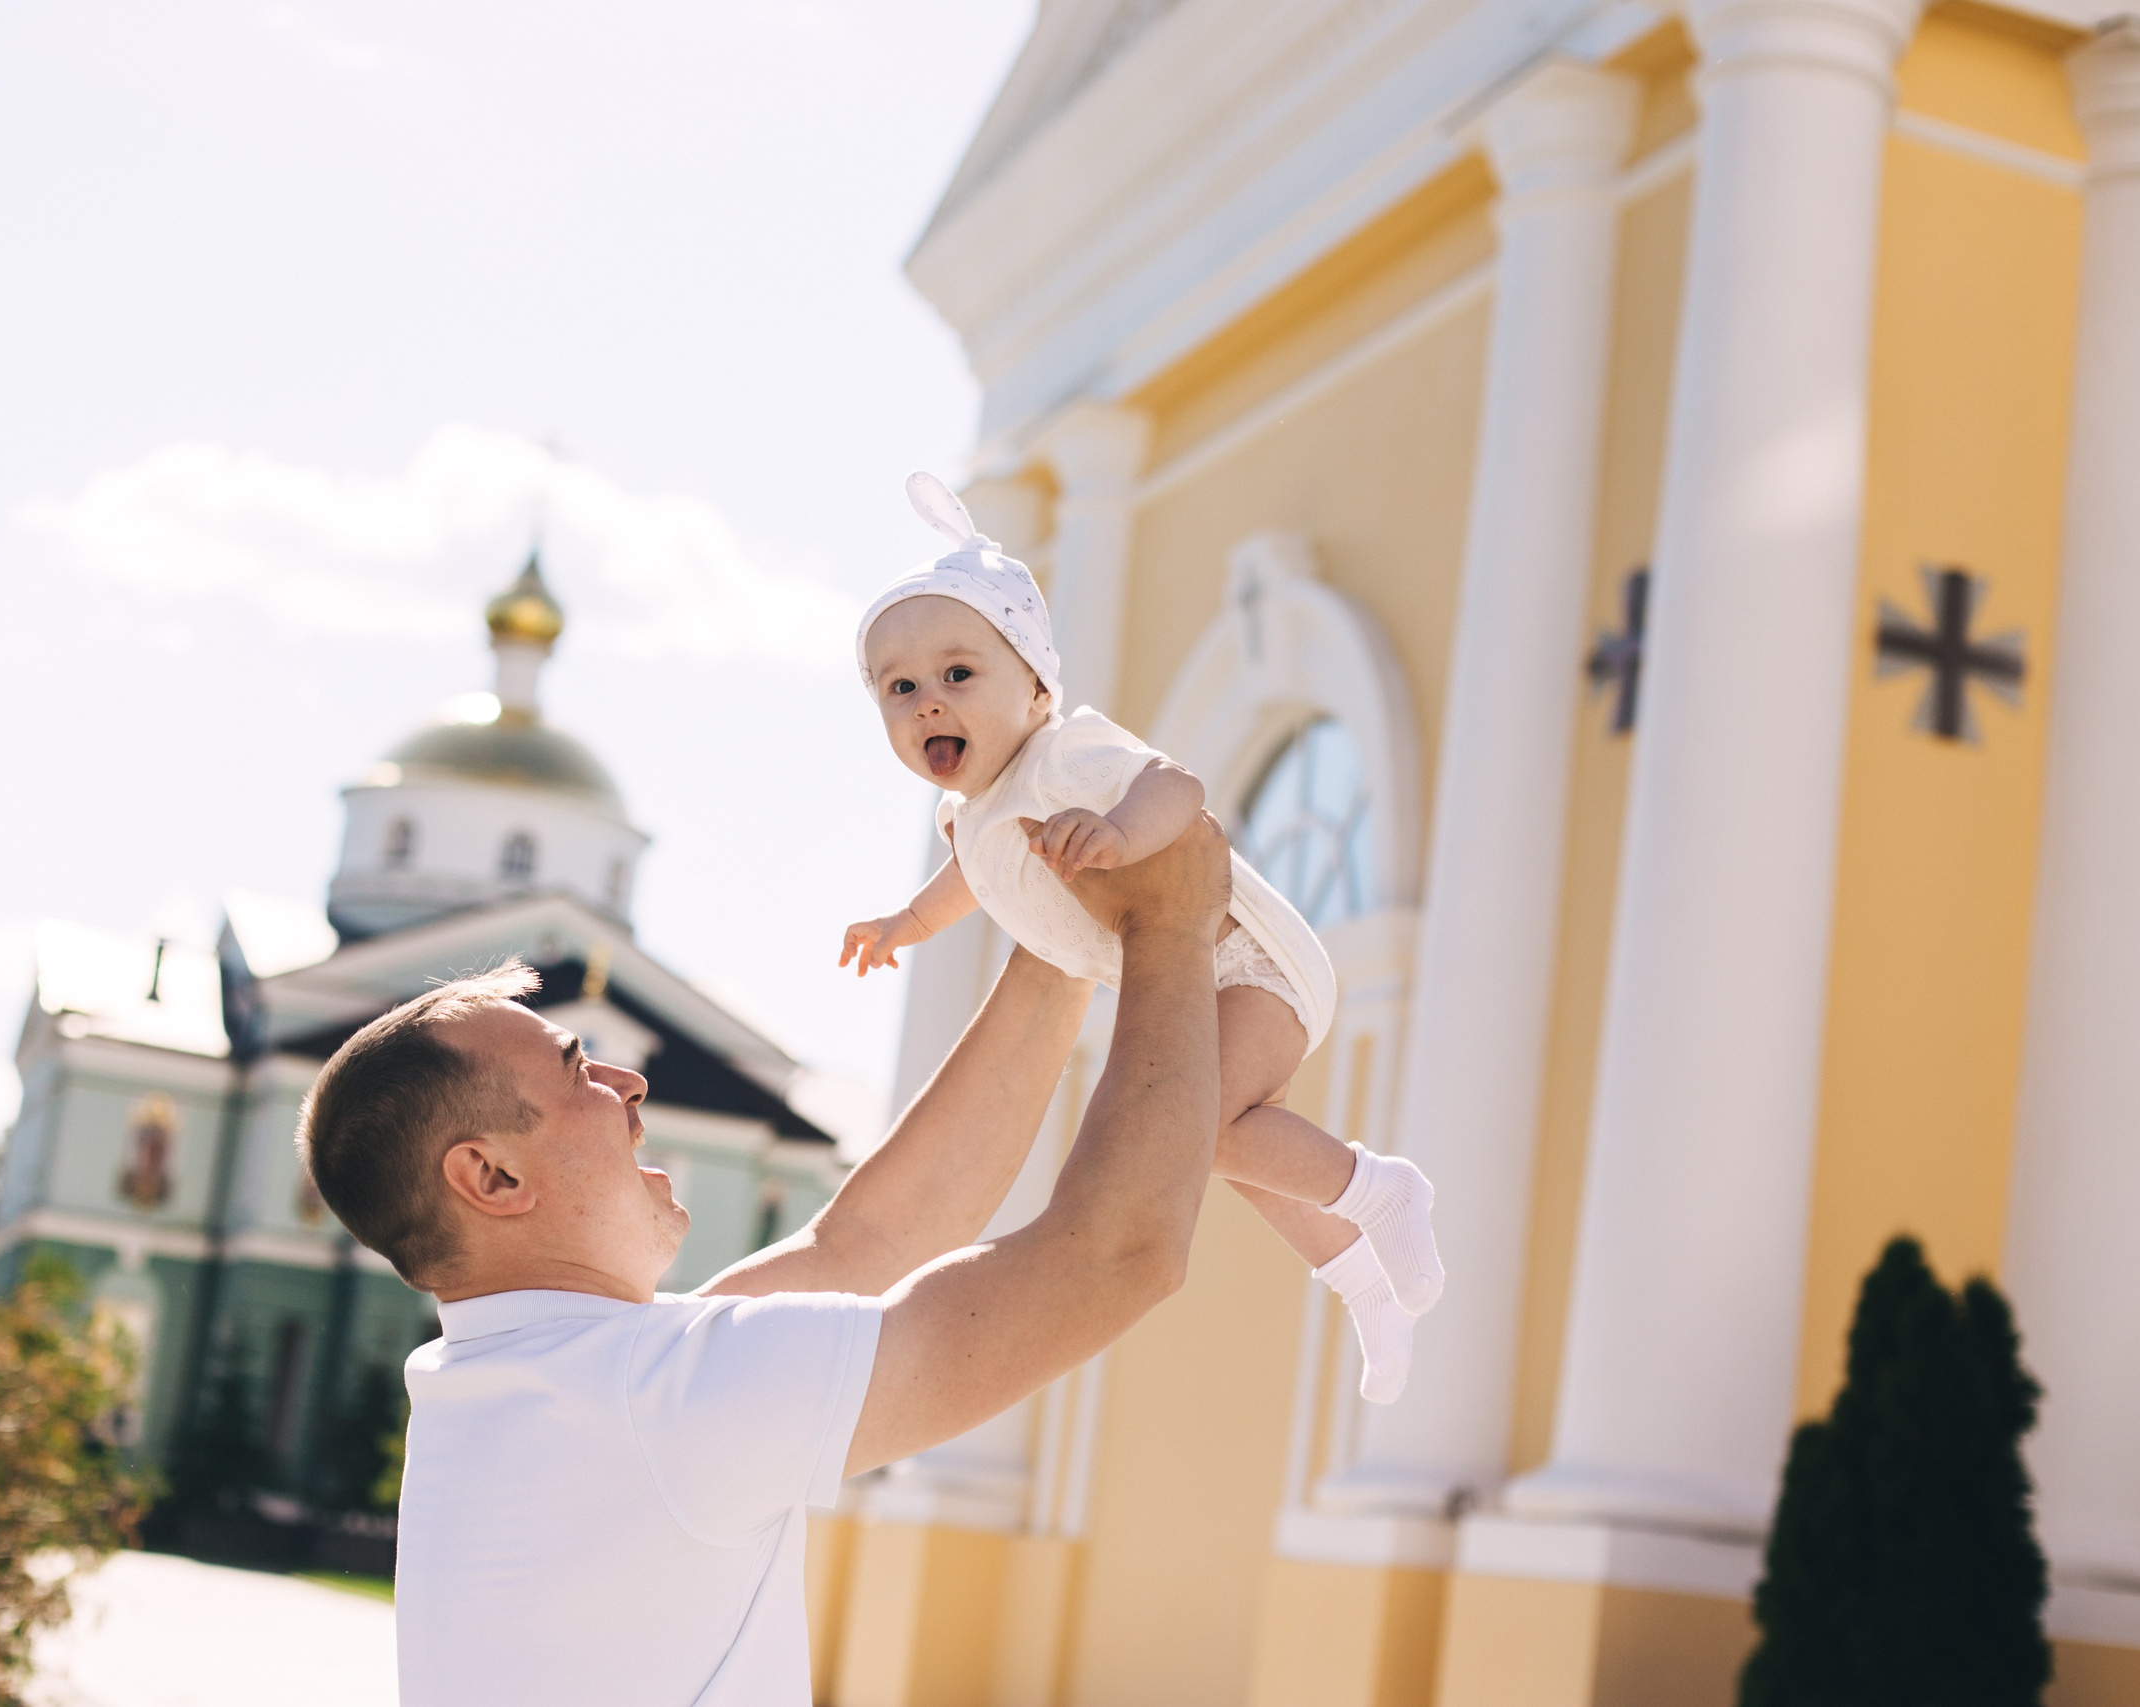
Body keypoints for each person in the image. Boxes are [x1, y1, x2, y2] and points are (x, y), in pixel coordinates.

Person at [298, 810, 1232, 1705]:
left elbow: (864, 1244)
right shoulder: (654, 1397)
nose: (631, 1082)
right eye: (580, 1066)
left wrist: (1058, 925)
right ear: (492, 1176)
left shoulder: (526, 1381)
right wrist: (1174, 926)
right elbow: (1117, 1255)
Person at [839, 473, 1446, 1402]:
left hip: (1253, 961)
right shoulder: (970, 818)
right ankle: (1364, 1284)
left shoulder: (1062, 753)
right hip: (1198, 988)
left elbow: (1181, 787)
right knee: (1221, 1146)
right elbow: (966, 882)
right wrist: (902, 925)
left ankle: (1382, 1189)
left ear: (1036, 684)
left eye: (959, 674)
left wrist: (1121, 833)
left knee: (1194, 1128)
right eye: (901, 688)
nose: (928, 701)